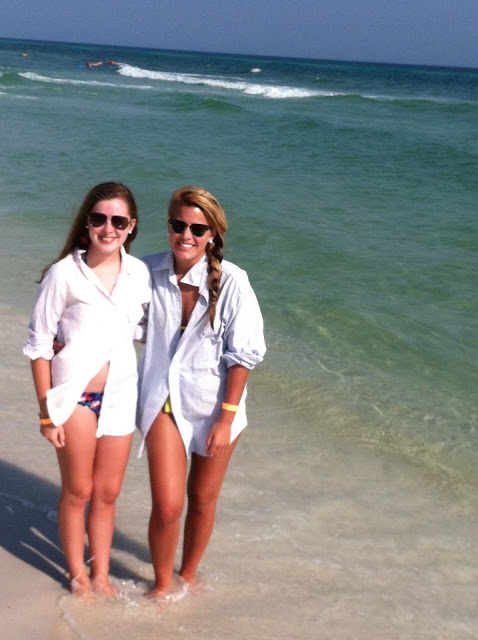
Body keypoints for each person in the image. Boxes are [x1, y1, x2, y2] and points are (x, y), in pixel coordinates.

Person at [137, 186, 266, 599]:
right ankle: (162, 588)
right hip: (162, 400)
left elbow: (243, 356)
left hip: (216, 406)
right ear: (169, 226)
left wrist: (226, 419)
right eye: (179, 225)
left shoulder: (233, 282)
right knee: (168, 505)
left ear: (212, 234)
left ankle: (188, 577)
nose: (186, 235)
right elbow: (113, 316)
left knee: (203, 499)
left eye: (197, 228)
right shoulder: (145, 272)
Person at [23, 182, 150, 598]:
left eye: (118, 221)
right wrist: (46, 413)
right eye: (99, 219)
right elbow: (39, 345)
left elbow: (145, 329)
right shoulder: (63, 274)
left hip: (120, 397)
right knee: (79, 491)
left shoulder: (139, 274)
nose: (108, 228)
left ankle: (101, 576)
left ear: (131, 226)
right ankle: (78, 575)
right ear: (87, 223)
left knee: (108, 494)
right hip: (74, 397)